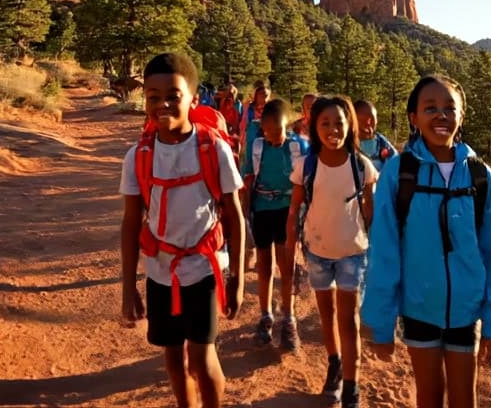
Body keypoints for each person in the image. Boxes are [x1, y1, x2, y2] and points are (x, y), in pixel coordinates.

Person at [361, 75, 491, 408]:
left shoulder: (478, 175)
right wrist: (380, 324)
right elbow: (384, 252)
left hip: (466, 310)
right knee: (428, 395)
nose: (440, 115)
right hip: (419, 307)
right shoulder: (400, 173)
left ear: (461, 116)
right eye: (430, 108)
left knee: (464, 398)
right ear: (414, 118)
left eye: (449, 108)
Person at [120, 53, 246, 408]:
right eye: (153, 96)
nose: (163, 104)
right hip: (160, 272)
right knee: (173, 359)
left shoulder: (213, 148)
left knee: (202, 361)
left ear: (193, 98)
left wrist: (237, 277)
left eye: (173, 96)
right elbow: (131, 223)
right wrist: (128, 287)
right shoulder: (138, 156)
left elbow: (234, 215)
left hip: (204, 268)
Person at [286, 95, 378, 408]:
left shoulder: (361, 166)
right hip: (317, 250)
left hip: (353, 251)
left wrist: (377, 248)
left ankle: (351, 385)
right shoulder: (306, 165)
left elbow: (370, 210)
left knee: (349, 319)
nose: (332, 129)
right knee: (326, 314)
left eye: (338, 122)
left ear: (349, 125)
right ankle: (335, 363)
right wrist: (289, 245)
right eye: (324, 123)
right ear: (314, 127)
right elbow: (294, 207)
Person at [243, 98, 307, 351]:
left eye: (278, 130)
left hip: (287, 212)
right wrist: (245, 211)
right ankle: (265, 315)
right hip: (262, 211)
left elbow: (306, 181)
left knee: (286, 265)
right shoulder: (257, 146)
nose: (274, 136)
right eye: (269, 131)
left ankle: (289, 318)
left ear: (286, 125)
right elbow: (249, 177)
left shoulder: (297, 146)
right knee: (264, 266)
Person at [353, 100, 398, 167]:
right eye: (361, 121)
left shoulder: (382, 144)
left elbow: (396, 164)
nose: (368, 124)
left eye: (372, 120)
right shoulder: (346, 146)